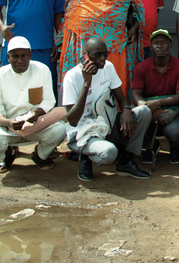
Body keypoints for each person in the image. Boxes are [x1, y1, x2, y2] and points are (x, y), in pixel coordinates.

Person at [63, 37, 153, 181]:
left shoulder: (108, 67)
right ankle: (85, 157)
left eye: (105, 54)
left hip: (106, 124)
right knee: (109, 153)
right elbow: (73, 121)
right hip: (82, 132)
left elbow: (121, 98)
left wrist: (127, 110)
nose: (103, 58)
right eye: (98, 54)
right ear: (86, 55)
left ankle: (125, 161)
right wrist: (86, 83)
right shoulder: (72, 76)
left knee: (144, 112)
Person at [58, 0, 144, 98]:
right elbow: (69, 20)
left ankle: (118, 110)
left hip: (114, 48)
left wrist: (134, 28)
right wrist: (61, 42)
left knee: (113, 86)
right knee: (86, 86)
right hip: (85, 48)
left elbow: (138, 10)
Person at [0, 37, 66, 173]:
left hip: (35, 124)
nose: (20, 60)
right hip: (7, 127)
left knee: (59, 130)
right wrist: (9, 123)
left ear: (30, 55)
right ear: (8, 57)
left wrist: (36, 113)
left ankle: (40, 155)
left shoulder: (42, 70)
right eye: (15, 56)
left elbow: (49, 101)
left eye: (24, 55)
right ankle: (7, 154)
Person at [130, 30, 179, 165]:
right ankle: (151, 146)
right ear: (150, 46)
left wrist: (157, 103)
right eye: (156, 43)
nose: (160, 46)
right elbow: (135, 94)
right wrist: (147, 108)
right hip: (149, 109)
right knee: (132, 121)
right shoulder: (141, 67)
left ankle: (175, 146)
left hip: (173, 110)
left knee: (174, 131)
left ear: (171, 45)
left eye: (164, 43)